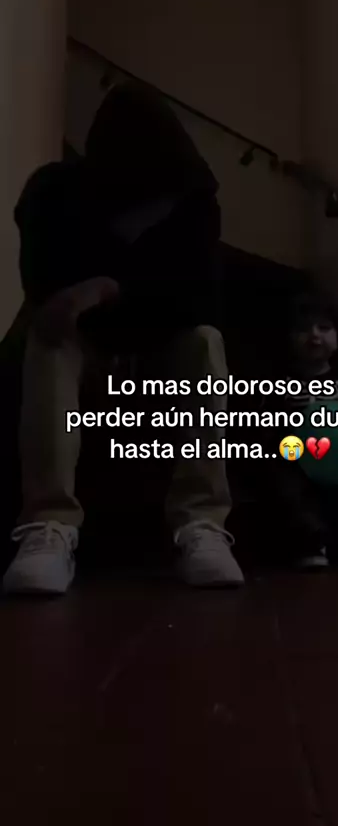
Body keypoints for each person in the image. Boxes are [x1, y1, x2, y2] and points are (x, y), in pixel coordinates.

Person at [2, 81, 244, 595]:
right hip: (84, 351)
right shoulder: (52, 192)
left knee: (205, 341)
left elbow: (200, 299)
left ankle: (201, 523)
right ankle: (49, 525)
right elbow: (46, 291)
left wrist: (107, 286)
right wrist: (98, 294)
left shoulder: (194, 199)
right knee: (50, 341)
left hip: (160, 351)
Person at [259, 289, 338, 569]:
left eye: (324, 328)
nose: (314, 336)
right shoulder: (278, 383)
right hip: (294, 457)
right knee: (286, 484)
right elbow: (268, 426)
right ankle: (310, 542)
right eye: (303, 329)